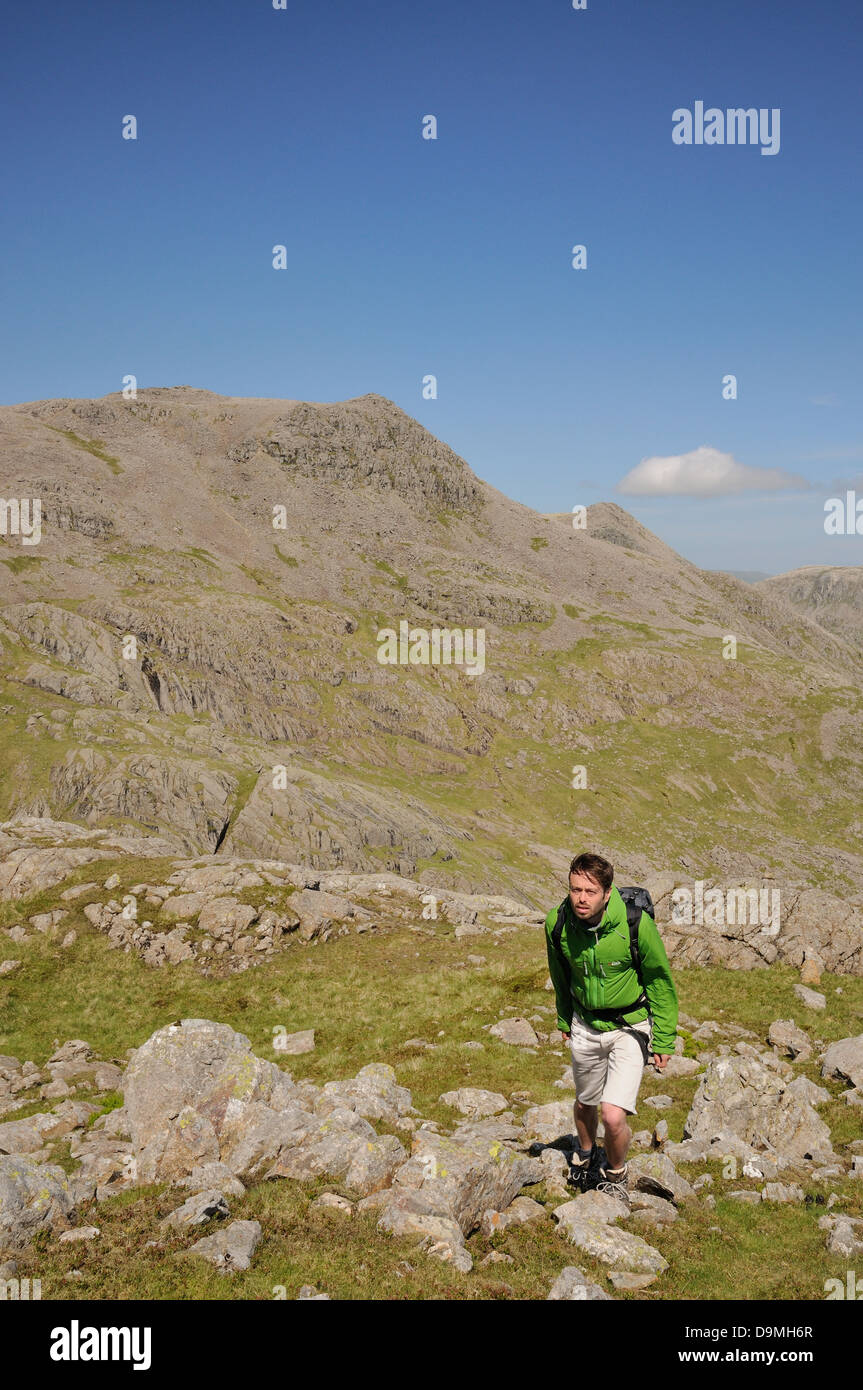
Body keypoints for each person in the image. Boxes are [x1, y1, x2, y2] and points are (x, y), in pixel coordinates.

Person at [545, 852, 678, 1207]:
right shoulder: (557, 924)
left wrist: (664, 1037)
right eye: (575, 889)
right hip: (585, 1024)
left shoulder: (635, 925)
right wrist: (563, 1018)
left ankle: (616, 1173)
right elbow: (560, 976)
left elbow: (660, 982)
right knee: (585, 1102)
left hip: (629, 1026)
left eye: (590, 891)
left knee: (613, 1114)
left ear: (607, 893)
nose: (582, 898)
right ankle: (585, 1153)